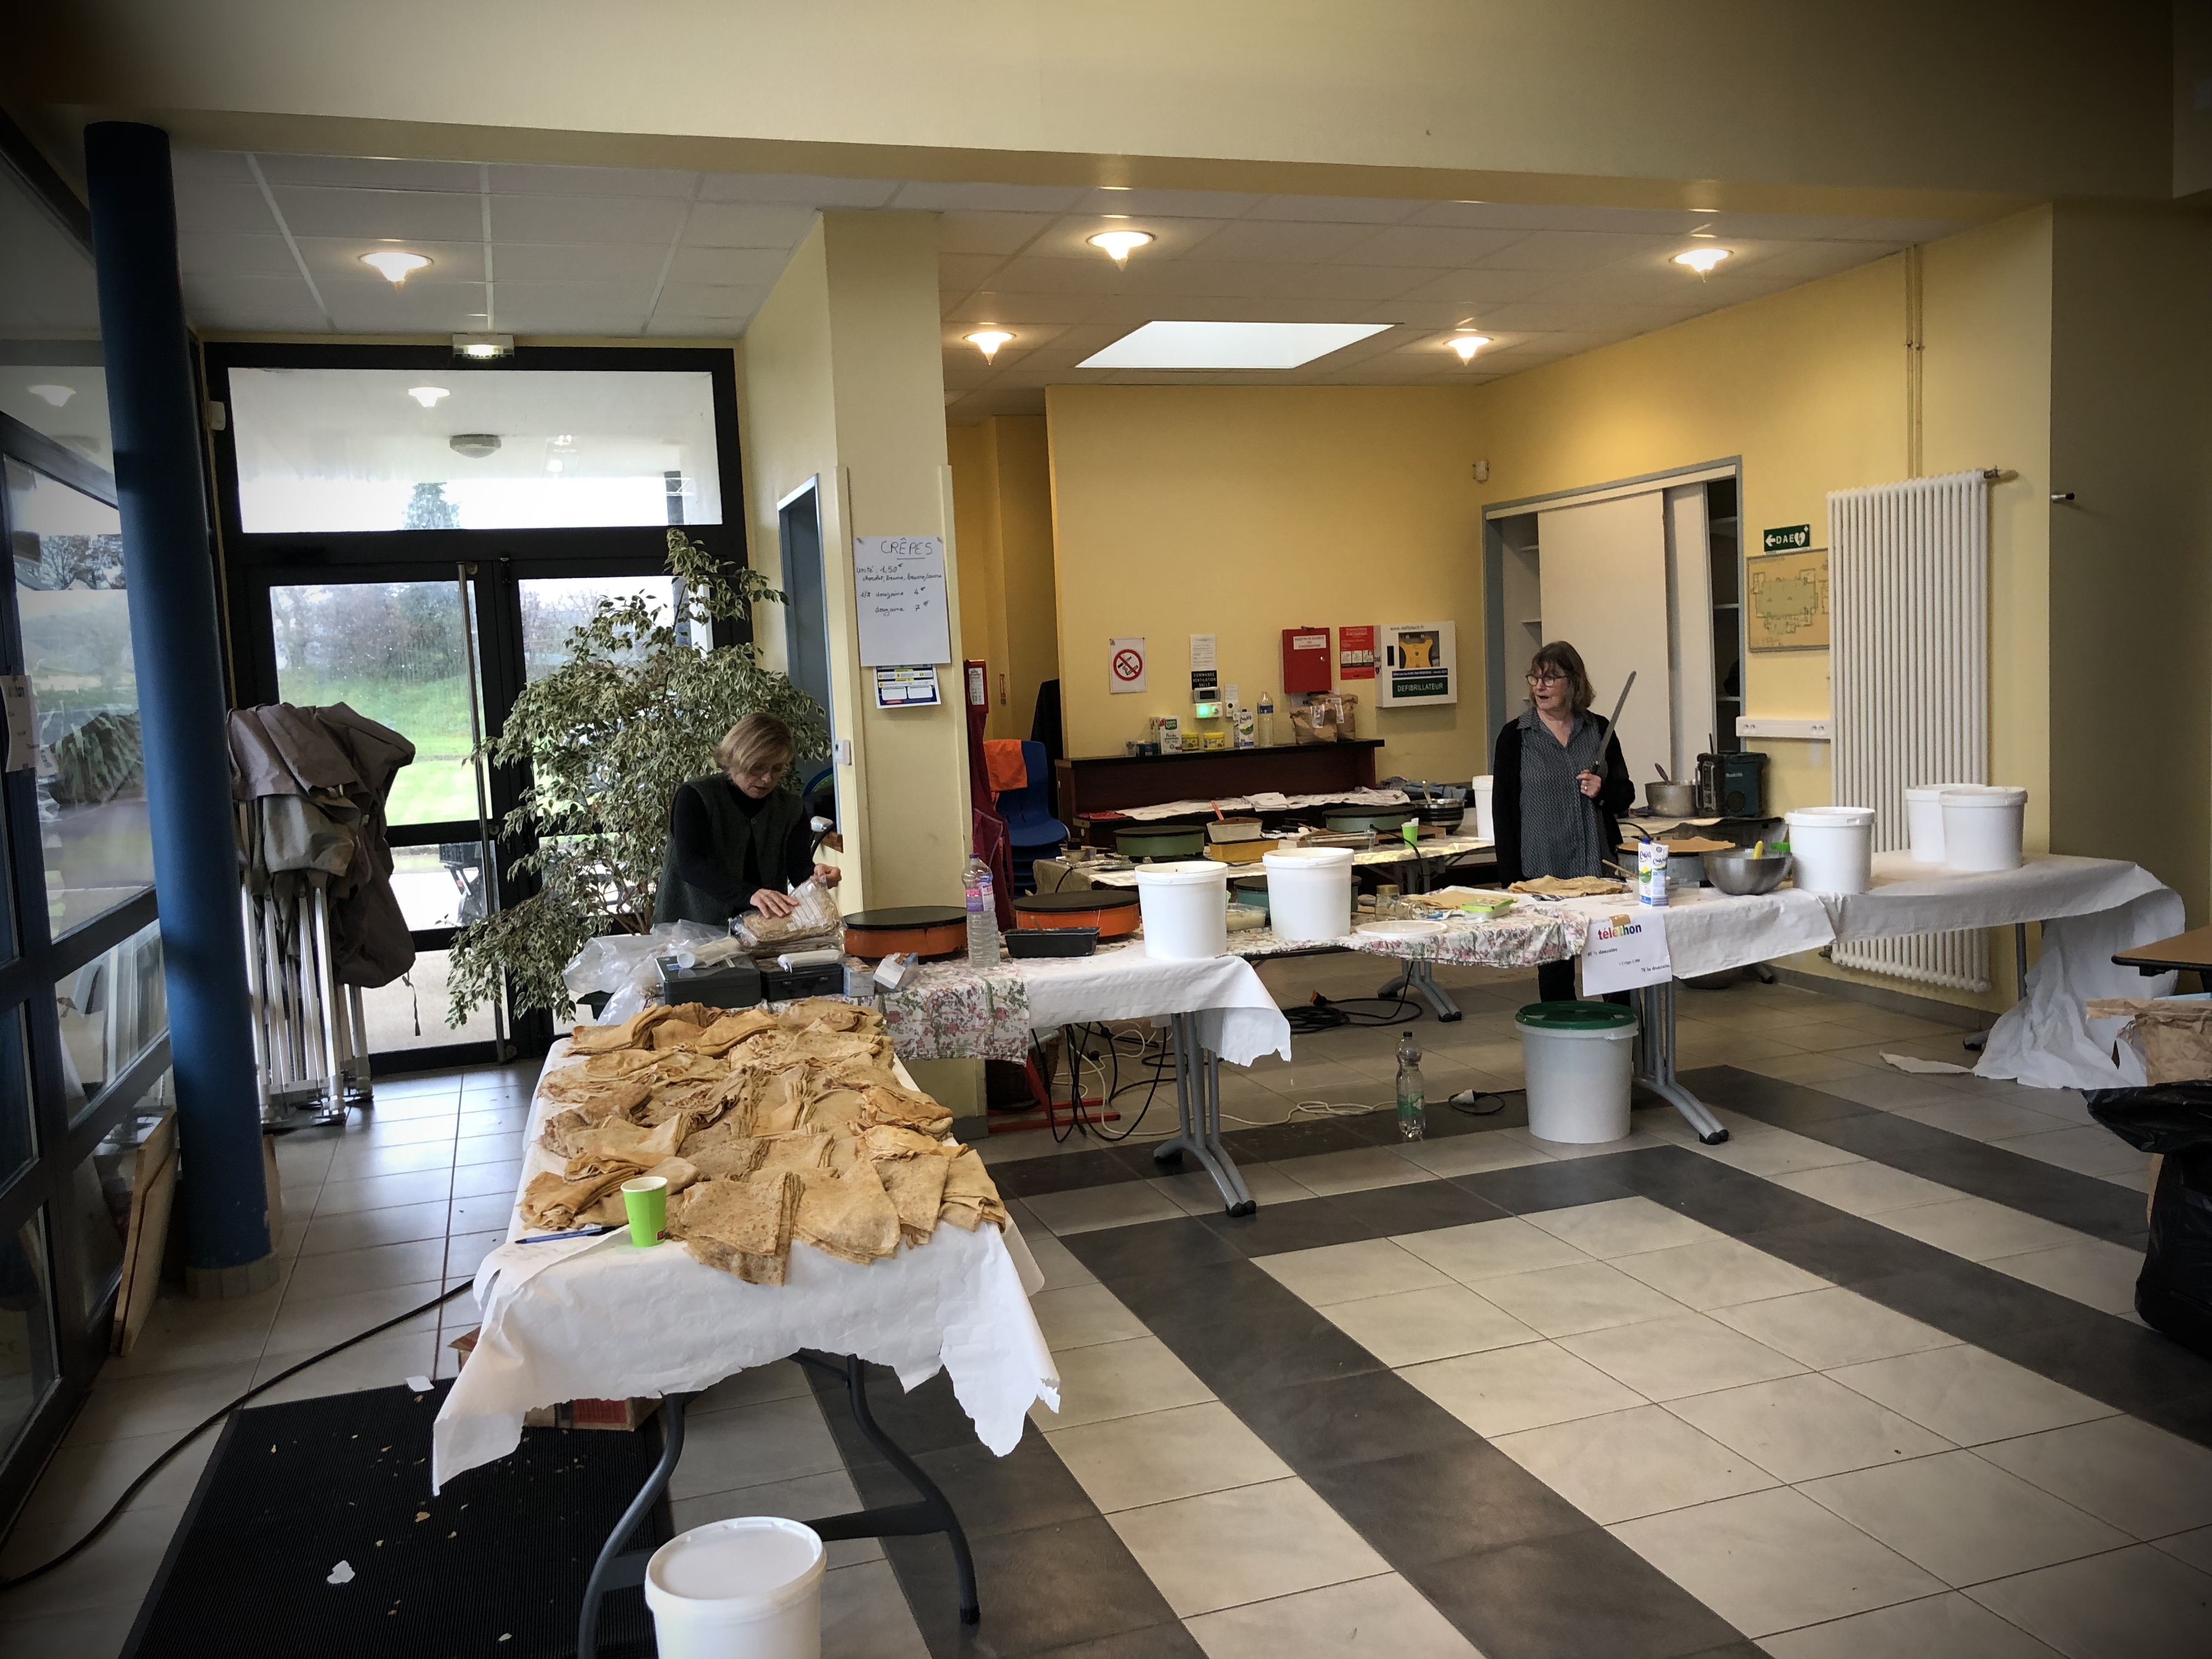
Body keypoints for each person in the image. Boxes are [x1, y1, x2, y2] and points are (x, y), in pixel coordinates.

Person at [1491, 641, 1633, 1002]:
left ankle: (1626, 1036)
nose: (1540, 686)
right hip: (1543, 874)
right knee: (1555, 973)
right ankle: (1562, 1037)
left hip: (1598, 871)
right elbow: (1503, 811)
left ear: (1574, 682)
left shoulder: (1599, 730)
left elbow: (1625, 795)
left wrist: (1601, 790)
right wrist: (1510, 879)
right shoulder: (1515, 737)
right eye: (1535, 678)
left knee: (1616, 968)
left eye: (1550, 678)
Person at [653, 714, 841, 924]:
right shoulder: (696, 796)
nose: (767, 779)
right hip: (690, 928)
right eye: (758, 767)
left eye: (777, 769)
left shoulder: (791, 807)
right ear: (734, 758)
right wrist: (750, 894)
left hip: (762, 927)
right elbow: (692, 865)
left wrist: (816, 877)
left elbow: (799, 869)